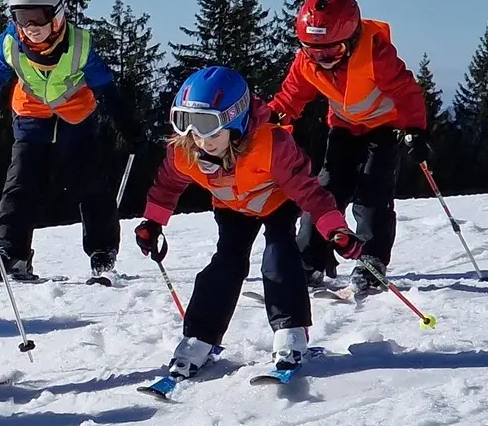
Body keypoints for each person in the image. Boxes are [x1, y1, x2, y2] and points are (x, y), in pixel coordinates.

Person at [134, 67, 365, 381]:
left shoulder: (272, 145)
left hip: (276, 204)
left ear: (237, 121)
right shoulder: (185, 151)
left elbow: (310, 192)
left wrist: (335, 229)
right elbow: (166, 188)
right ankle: (200, 337)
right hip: (232, 209)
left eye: (213, 132)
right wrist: (152, 223)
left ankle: (290, 331)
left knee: (279, 257)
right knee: (226, 264)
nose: (203, 142)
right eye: (193, 130)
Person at [0, 0, 148, 285]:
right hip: (30, 119)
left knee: (91, 184)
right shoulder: (11, 42)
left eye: (37, 17)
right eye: (21, 18)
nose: (30, 27)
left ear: (57, 15)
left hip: (76, 120)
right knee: (20, 183)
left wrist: (128, 126)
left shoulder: (80, 45)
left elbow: (106, 88)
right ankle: (12, 253)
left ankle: (102, 251)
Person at [262, 0, 428, 295]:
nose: (322, 60)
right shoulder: (307, 62)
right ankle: (309, 260)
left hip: (383, 128)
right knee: (324, 190)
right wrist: (272, 119)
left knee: (373, 192)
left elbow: (406, 91)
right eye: (313, 52)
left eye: (332, 52)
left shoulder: (376, 54)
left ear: (351, 40)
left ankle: (371, 261)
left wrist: (415, 129)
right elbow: (291, 97)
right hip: (343, 127)